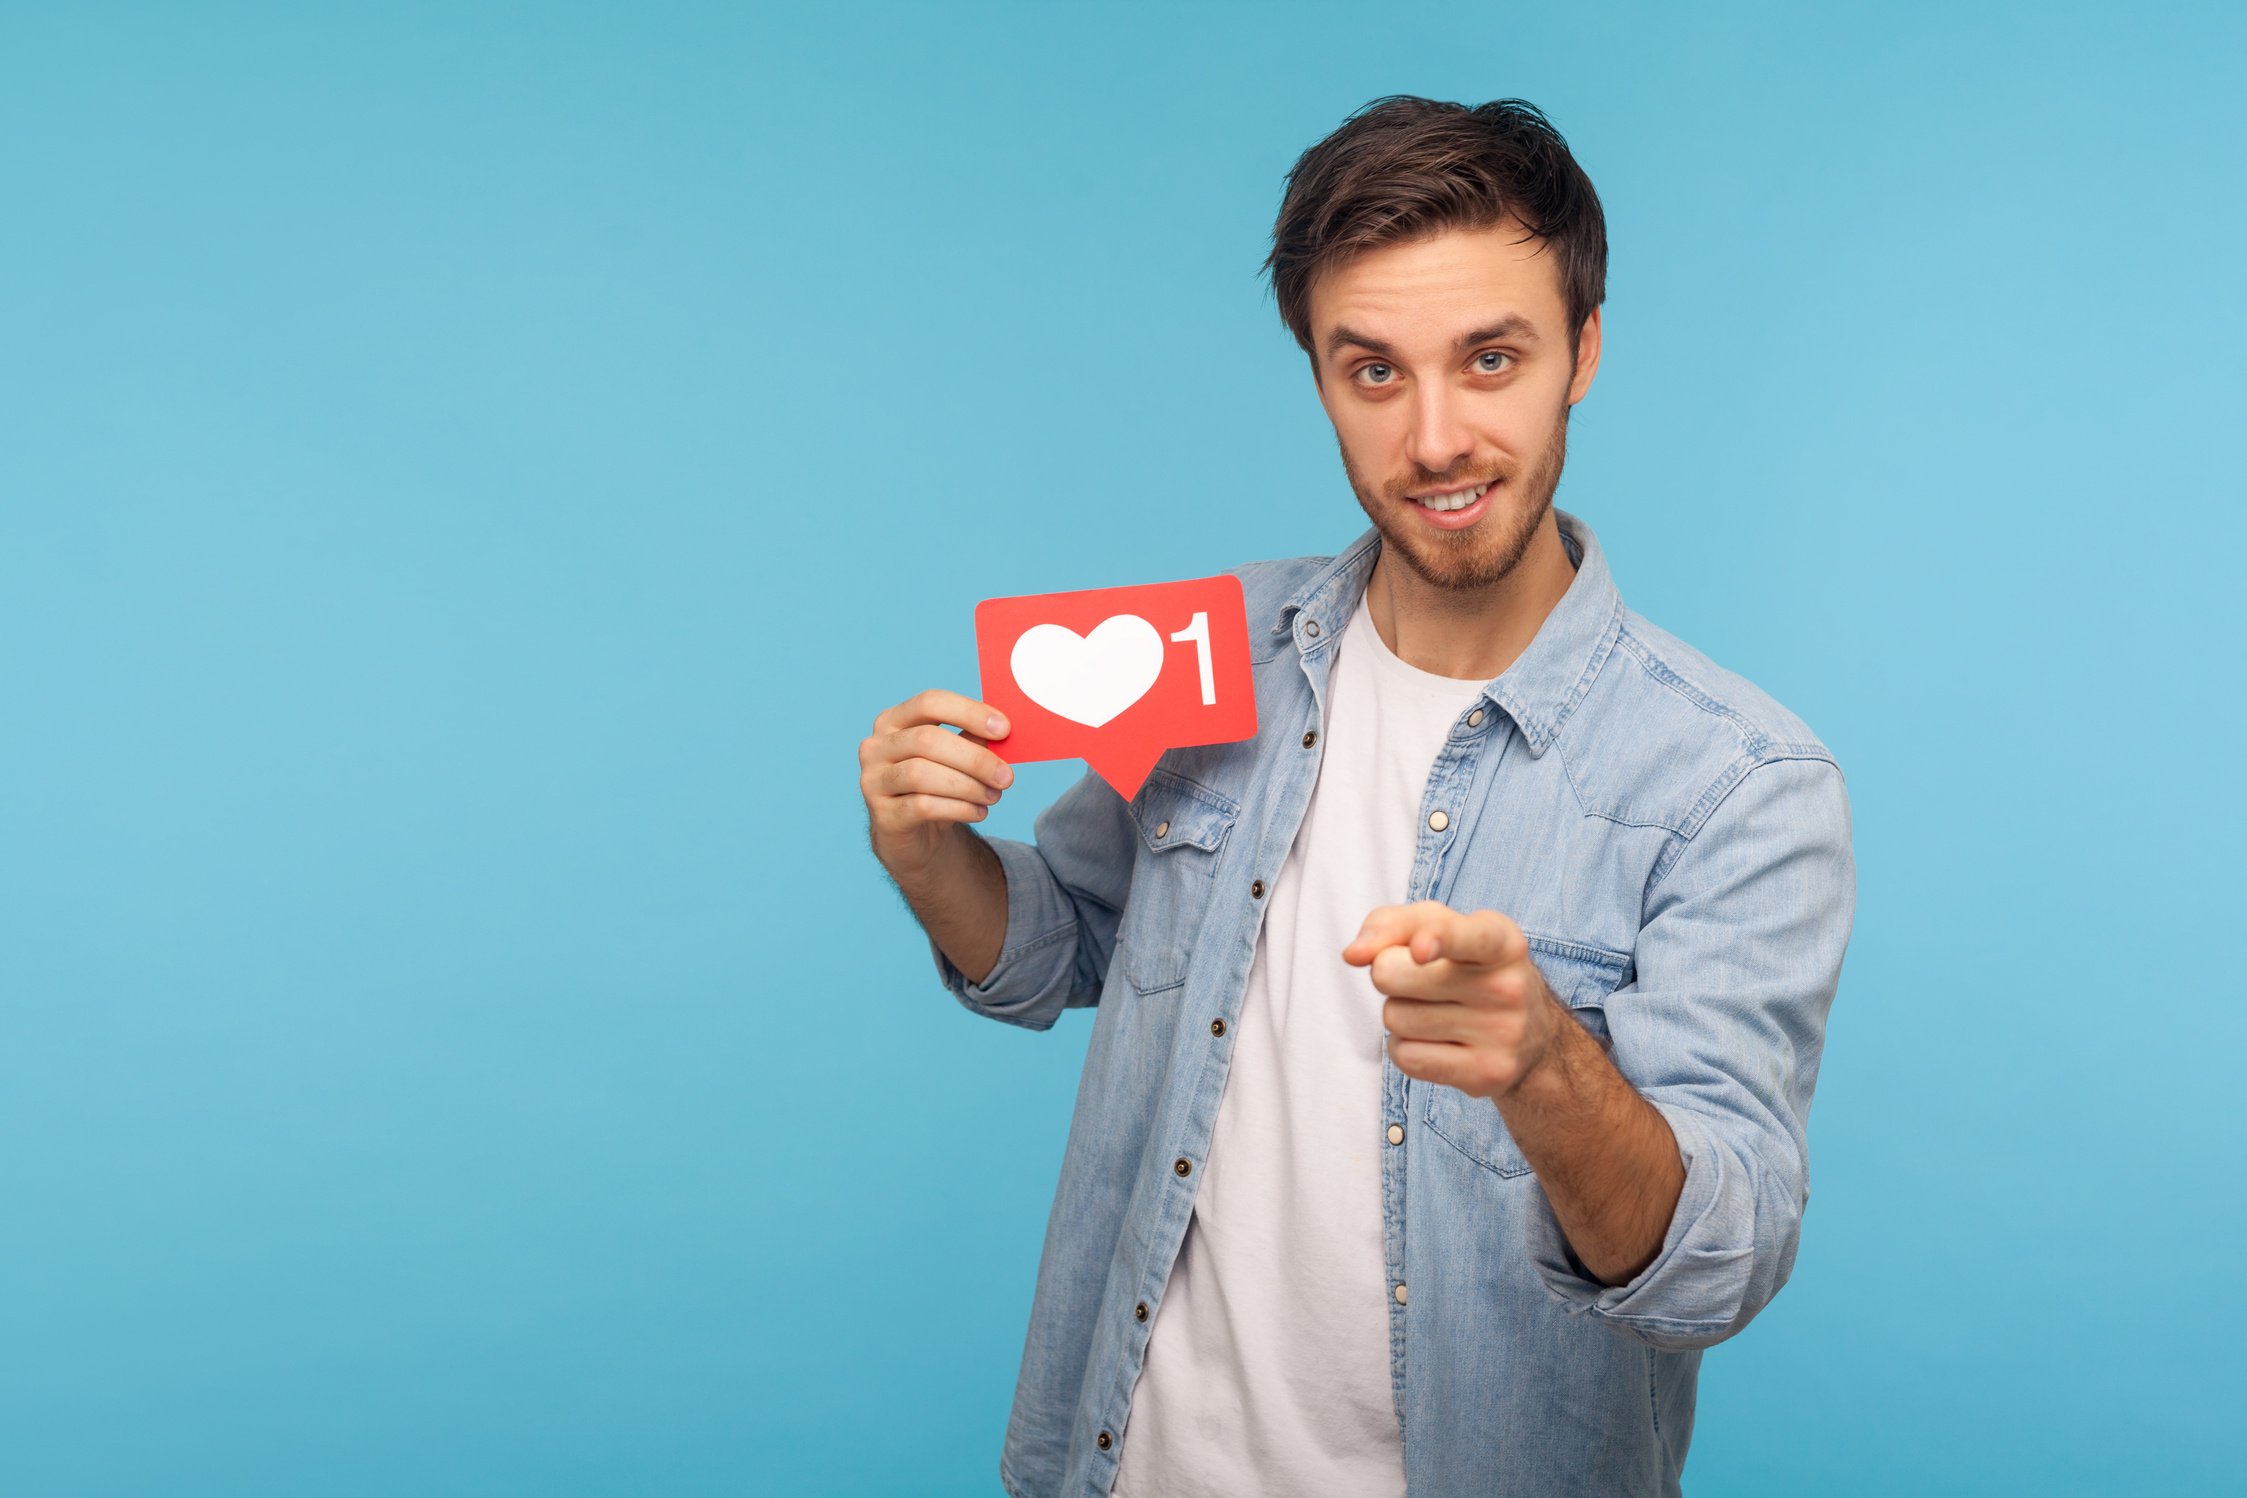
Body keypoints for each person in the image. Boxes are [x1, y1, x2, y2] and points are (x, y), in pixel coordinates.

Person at [857, 95, 1856, 1498]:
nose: (1436, 438)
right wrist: (922, 848)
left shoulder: (1740, 783)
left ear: (1585, 349)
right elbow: (1052, 947)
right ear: (1318, 374)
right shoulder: (1211, 651)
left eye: (1490, 358)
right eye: (1372, 371)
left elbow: (1718, 1264)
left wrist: (1547, 1064)